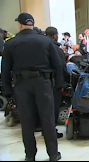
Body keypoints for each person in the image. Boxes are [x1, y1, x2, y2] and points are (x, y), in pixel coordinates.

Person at [1, 13, 62, 161]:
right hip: (43, 83)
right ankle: (53, 154)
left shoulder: (10, 43)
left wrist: (8, 90)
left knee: (26, 121)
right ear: (32, 24)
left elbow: (5, 70)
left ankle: (30, 155)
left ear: (20, 25)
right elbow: (58, 65)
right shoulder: (46, 41)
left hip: (21, 85)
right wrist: (58, 85)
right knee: (47, 119)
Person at [45, 27, 69, 138]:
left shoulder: (42, 46)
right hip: (55, 82)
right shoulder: (56, 49)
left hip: (43, 81)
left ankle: (44, 129)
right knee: (53, 107)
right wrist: (67, 79)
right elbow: (61, 67)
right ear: (55, 35)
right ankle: (51, 131)